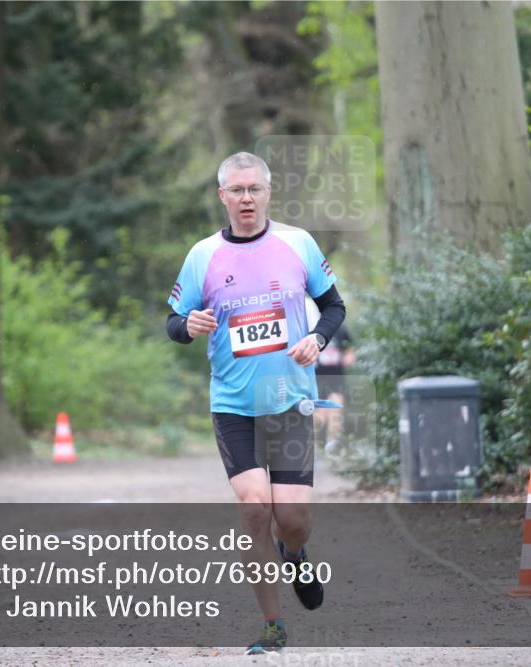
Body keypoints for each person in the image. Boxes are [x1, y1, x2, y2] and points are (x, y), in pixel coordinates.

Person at [166, 152, 345, 654]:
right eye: (237, 190)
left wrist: (317, 339)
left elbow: (334, 306)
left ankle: (295, 552)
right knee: (253, 508)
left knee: (293, 520)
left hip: (289, 402)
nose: (246, 198)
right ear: (222, 196)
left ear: (268, 193)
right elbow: (174, 322)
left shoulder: (298, 243)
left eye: (254, 189)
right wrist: (188, 325)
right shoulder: (202, 255)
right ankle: (273, 625)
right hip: (233, 404)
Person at [313, 323, 355, 455]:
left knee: (336, 408)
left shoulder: (340, 329)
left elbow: (350, 350)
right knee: (319, 415)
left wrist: (349, 357)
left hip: (336, 376)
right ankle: (313, 446)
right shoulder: (310, 326)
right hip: (317, 378)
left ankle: (332, 444)